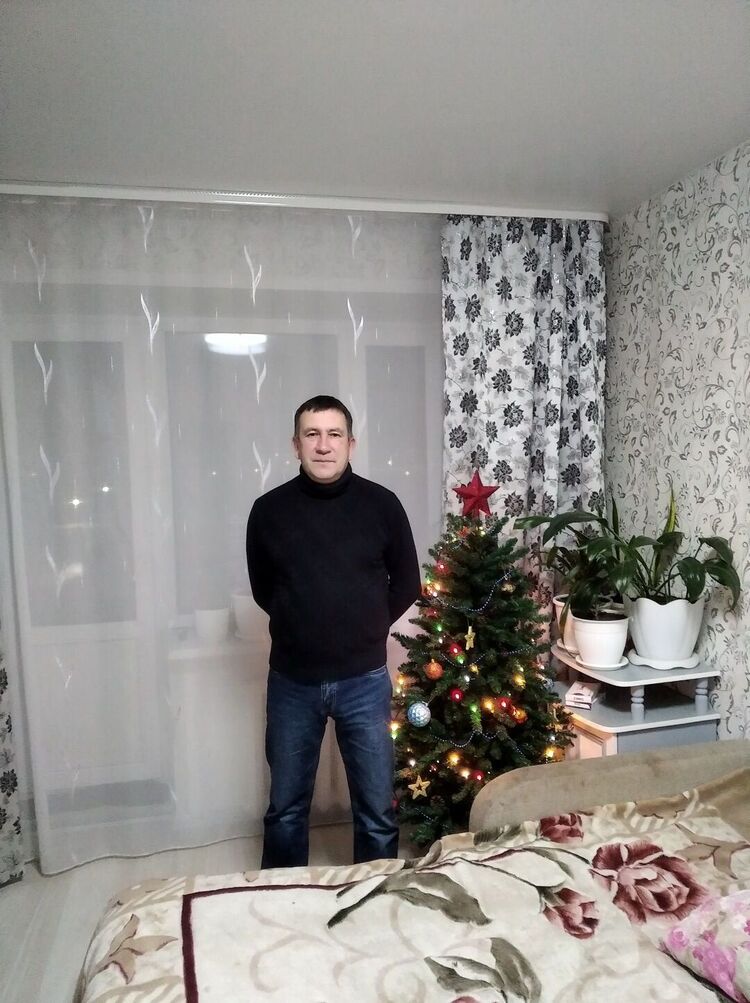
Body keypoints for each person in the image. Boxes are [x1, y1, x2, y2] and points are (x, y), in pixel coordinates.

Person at [246, 394, 421, 868]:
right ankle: (284, 899)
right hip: (291, 682)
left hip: (364, 680)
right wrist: (302, 621)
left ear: (350, 443)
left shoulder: (383, 505)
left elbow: (408, 582)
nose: (323, 445)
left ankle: (374, 896)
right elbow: (264, 588)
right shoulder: (268, 511)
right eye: (312, 434)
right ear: (296, 445)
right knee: (285, 810)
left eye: (334, 434)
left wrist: (366, 626)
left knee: (377, 812)